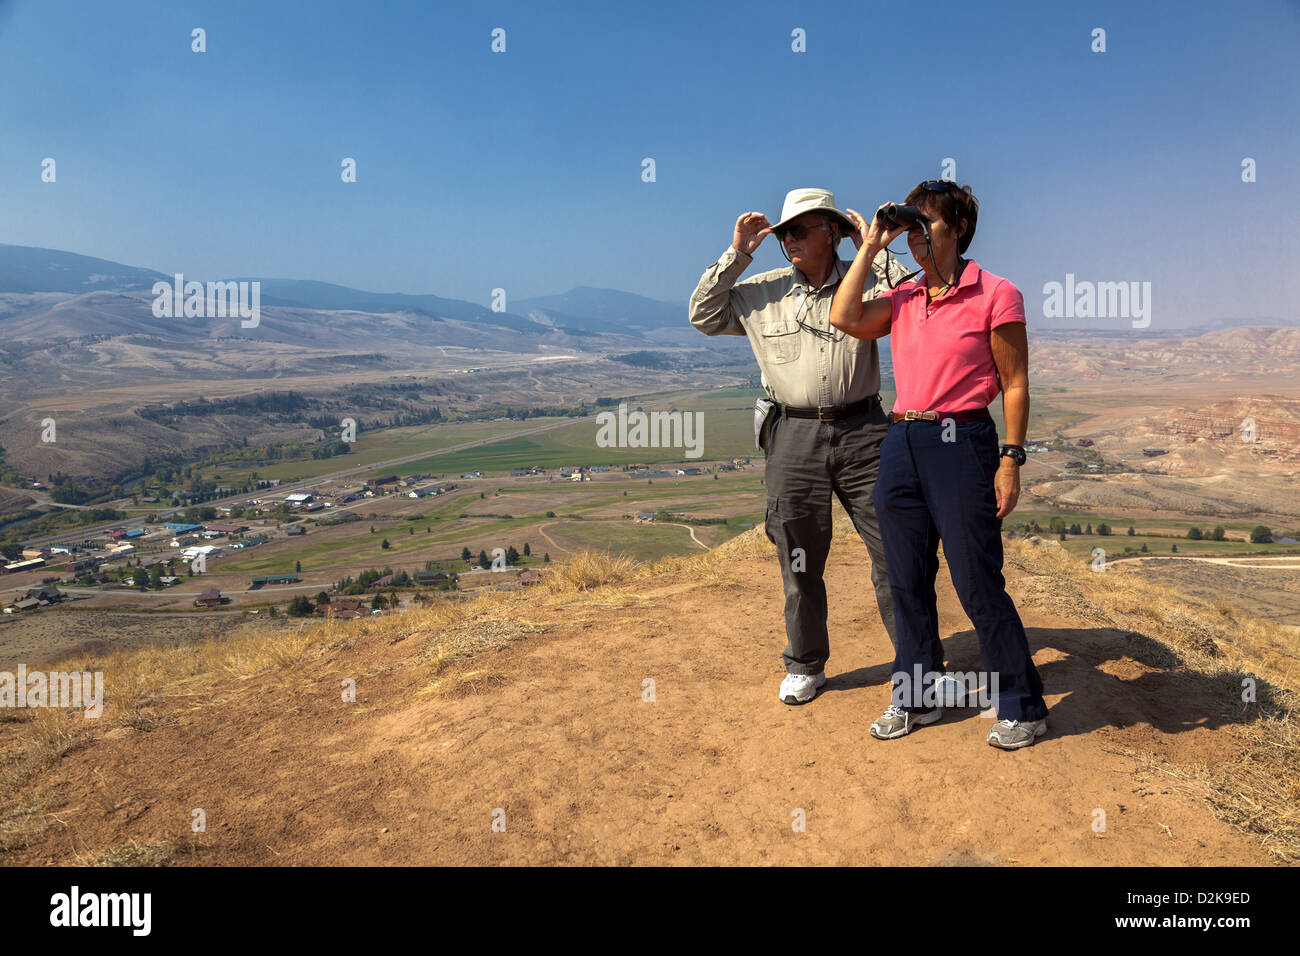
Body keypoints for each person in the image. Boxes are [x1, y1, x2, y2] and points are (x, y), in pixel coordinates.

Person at [828, 180, 1049, 750]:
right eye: (913, 225)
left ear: (959, 231)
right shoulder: (904, 295)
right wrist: (872, 247)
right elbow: (844, 316)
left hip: (962, 440)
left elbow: (1016, 382)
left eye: (928, 225)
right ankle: (916, 698)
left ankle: (1023, 705)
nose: (918, 237)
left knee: (976, 582)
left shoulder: (996, 292)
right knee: (905, 580)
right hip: (902, 440)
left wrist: (1011, 459)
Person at [689, 187, 911, 705]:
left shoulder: (868, 279)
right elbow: (702, 315)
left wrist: (869, 247)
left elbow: (917, 300)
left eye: (799, 229)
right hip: (792, 435)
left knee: (896, 550)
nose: (787, 239)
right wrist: (738, 254)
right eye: (784, 231)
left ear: (831, 232)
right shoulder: (760, 290)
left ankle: (916, 661)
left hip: (865, 432)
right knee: (799, 559)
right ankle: (806, 663)